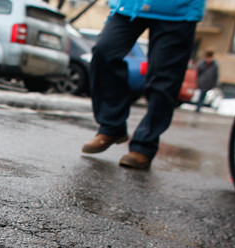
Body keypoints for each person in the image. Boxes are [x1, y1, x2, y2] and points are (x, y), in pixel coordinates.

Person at [81, 0, 206, 170]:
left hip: (178, 12)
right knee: (104, 52)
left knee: (163, 79)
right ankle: (112, 126)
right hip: (130, 6)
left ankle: (144, 145)